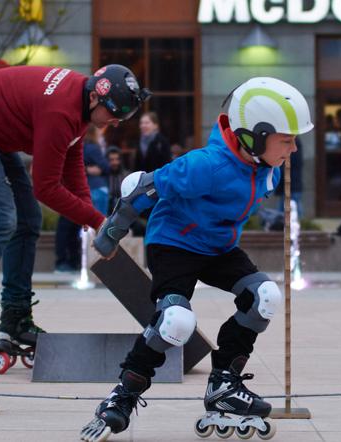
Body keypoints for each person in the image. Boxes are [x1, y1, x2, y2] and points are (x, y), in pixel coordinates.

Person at [79, 77, 313, 442]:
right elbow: (141, 187)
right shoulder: (205, 165)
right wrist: (112, 234)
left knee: (264, 296)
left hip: (218, 248)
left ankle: (224, 385)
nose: (294, 149)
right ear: (254, 135)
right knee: (176, 321)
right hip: (173, 245)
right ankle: (122, 396)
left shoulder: (268, 168)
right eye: (287, 140)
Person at [0, 64, 150, 357]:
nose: (115, 123)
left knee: (28, 219)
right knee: (1, 219)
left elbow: (72, 162)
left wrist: (90, 218)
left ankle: (15, 318)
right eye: (114, 115)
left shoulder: (78, 102)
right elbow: (46, 188)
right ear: (94, 99)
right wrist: (97, 220)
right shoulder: (59, 111)